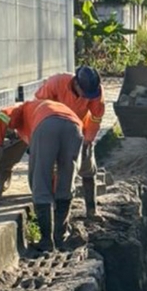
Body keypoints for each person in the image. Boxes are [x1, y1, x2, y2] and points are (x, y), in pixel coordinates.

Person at [0, 99, 82, 252]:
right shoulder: (41, 106)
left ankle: (46, 241)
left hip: (47, 126)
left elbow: (3, 115)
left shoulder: (22, 108)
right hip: (75, 127)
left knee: (40, 180)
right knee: (66, 180)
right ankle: (61, 236)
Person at [35, 66, 104, 225]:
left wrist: (88, 140)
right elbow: (39, 106)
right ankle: (54, 210)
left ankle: (91, 209)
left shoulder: (95, 92)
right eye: (84, 93)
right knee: (51, 170)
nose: (87, 97)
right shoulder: (56, 83)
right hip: (53, 129)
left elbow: (96, 117)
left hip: (80, 129)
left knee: (87, 169)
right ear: (77, 84)